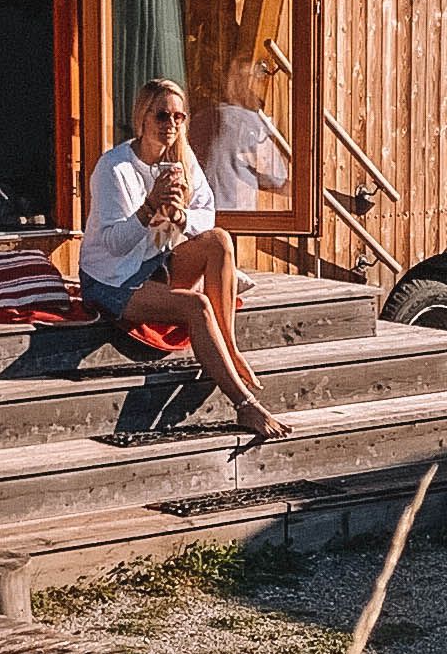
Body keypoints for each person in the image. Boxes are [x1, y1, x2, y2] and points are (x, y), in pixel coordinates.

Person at [76, 80, 284, 436]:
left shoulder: (181, 160)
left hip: (156, 259)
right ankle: (244, 404)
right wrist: (149, 208)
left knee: (219, 241)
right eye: (161, 115)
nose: (170, 124)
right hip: (111, 279)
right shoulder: (115, 168)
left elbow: (208, 214)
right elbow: (113, 245)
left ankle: (228, 349)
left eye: (178, 116)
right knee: (197, 306)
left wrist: (182, 218)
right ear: (142, 118)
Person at [202, 57, 293, 214]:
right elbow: (276, 178)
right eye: (260, 79)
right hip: (233, 218)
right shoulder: (249, 122)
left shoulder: (201, 117)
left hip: (198, 215)